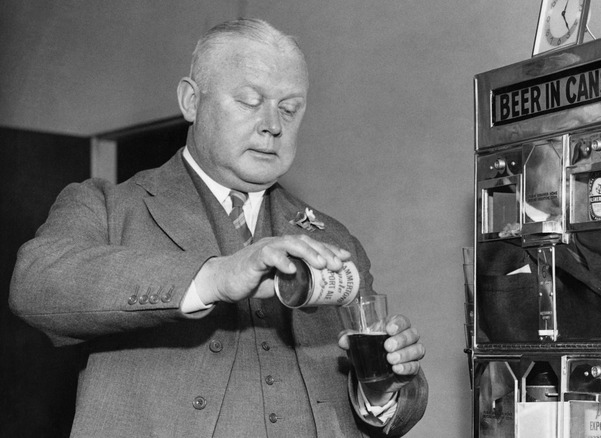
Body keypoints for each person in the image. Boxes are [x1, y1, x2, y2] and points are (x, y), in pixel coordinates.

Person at [9, 17, 427, 437]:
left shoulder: (333, 239)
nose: (273, 125)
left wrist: (385, 385)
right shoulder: (106, 206)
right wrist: (214, 277)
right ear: (191, 101)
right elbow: (35, 284)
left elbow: (383, 407)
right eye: (249, 101)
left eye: (290, 108)